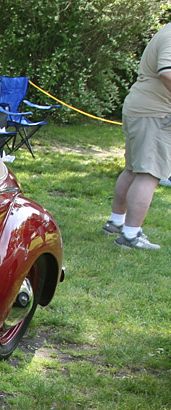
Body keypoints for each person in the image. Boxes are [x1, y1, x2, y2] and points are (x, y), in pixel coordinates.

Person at [103, 22, 171, 250]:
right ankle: (130, 236)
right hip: (155, 113)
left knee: (133, 169)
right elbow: (167, 72)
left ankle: (116, 222)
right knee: (149, 173)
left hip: (142, 109)